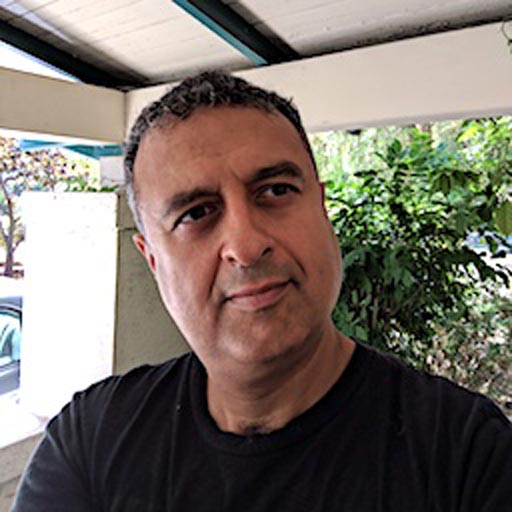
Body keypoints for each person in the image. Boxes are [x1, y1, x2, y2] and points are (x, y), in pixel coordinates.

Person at [12, 71, 512, 511]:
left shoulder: (468, 455)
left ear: (322, 210)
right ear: (153, 261)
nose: (246, 246)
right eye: (196, 213)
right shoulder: (92, 441)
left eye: (275, 191)